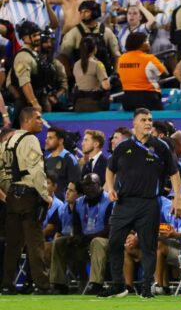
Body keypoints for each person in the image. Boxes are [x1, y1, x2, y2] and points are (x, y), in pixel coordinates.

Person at [101, 108, 181, 299]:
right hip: (123, 203)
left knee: (148, 246)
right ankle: (118, 285)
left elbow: (174, 173)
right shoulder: (122, 146)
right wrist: (110, 188)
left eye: (150, 120)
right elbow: (110, 168)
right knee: (114, 243)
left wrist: (177, 197)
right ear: (134, 123)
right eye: (144, 119)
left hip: (149, 204)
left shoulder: (161, 147)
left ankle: (146, 287)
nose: (148, 123)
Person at [1, 107, 52, 295]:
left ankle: (7, 284)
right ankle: (42, 284)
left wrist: (8, 192)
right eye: (38, 118)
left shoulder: (7, 141)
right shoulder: (30, 140)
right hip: (29, 195)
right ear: (27, 120)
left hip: (12, 196)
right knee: (35, 242)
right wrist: (45, 195)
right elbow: (37, 171)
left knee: (12, 244)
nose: (41, 121)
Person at [49, 173, 113, 295]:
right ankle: (59, 284)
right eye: (85, 185)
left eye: (91, 184)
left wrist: (87, 238)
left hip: (105, 244)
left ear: (99, 185)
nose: (88, 188)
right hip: (84, 243)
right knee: (60, 242)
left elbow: (109, 229)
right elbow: (76, 226)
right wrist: (76, 237)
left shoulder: (109, 200)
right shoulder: (79, 203)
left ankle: (96, 284)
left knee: (97, 241)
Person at [58, 0, 120, 75]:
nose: (83, 15)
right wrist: (69, 75)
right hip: (81, 78)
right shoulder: (74, 33)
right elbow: (63, 56)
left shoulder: (106, 32)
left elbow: (116, 56)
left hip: (104, 76)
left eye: (86, 11)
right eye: (81, 12)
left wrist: (116, 74)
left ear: (95, 12)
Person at [117, 32, 167, 111]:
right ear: (139, 44)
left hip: (127, 98)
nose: (148, 43)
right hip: (148, 98)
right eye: (146, 41)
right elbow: (165, 73)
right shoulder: (149, 58)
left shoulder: (121, 59)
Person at [7, 22, 44, 117]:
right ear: (24, 38)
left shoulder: (34, 54)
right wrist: (34, 102)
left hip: (35, 99)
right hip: (26, 105)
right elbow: (25, 83)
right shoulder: (23, 57)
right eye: (34, 35)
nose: (38, 38)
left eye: (39, 34)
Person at [73, 36, 110, 112]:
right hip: (93, 104)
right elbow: (106, 86)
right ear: (94, 48)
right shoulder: (98, 64)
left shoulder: (76, 64)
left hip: (79, 104)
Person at [43, 127, 81, 201]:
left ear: (60, 141)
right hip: (47, 204)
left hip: (62, 206)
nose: (46, 141)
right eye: (46, 138)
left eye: (50, 138)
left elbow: (75, 185)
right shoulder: (47, 159)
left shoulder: (69, 159)